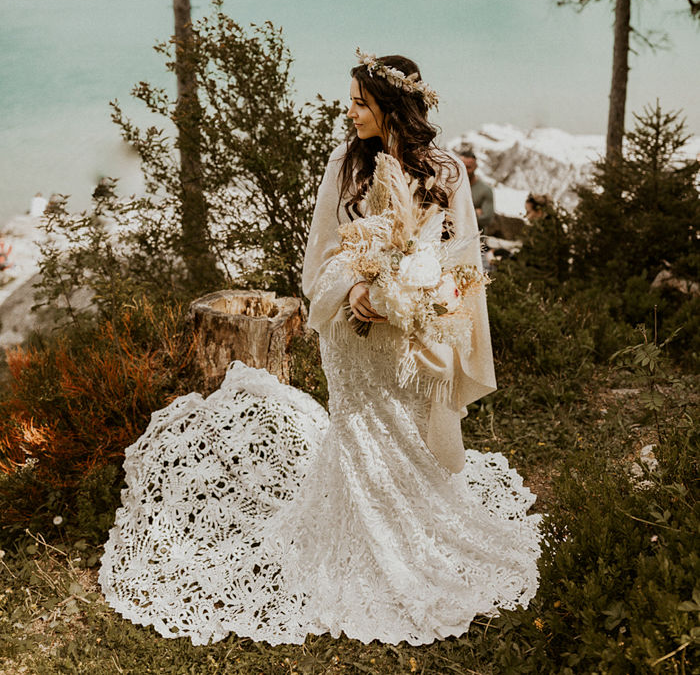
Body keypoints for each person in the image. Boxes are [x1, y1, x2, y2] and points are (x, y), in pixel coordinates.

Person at [100, 51, 540, 647]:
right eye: (351, 99)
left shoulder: (447, 174)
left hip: (411, 333)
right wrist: (358, 288)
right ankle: (357, 538)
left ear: (392, 107)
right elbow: (322, 257)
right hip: (354, 338)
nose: (350, 111)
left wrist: (418, 295)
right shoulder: (346, 163)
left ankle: (414, 535)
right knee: (360, 433)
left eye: (361, 102)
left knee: (408, 437)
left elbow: (462, 264)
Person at [459, 148, 494, 231]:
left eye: (468, 167)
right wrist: (475, 212)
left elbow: (487, 219)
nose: (464, 170)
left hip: (475, 240)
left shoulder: (486, 190)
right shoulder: (451, 187)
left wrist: (457, 213)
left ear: (476, 167)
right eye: (461, 166)